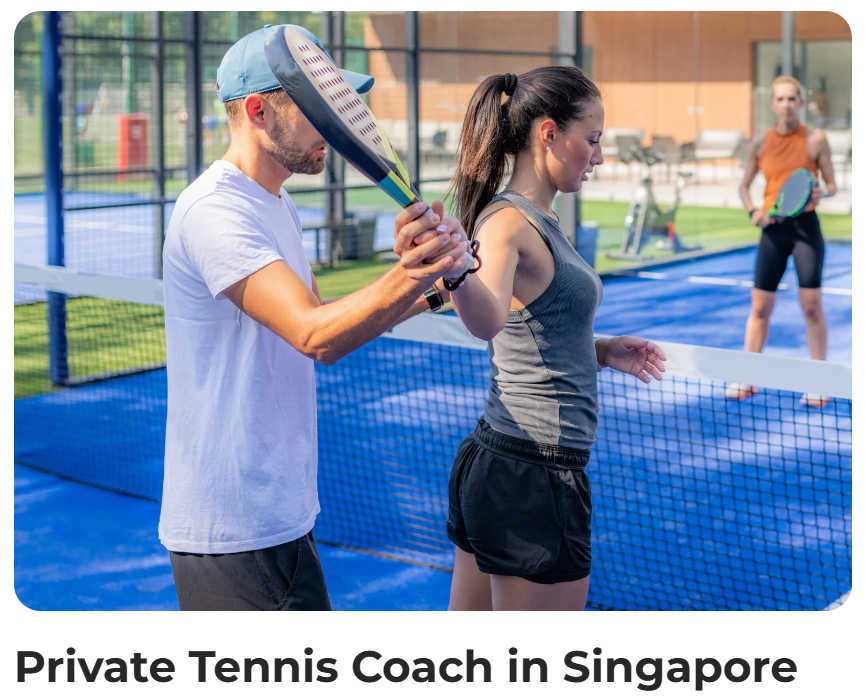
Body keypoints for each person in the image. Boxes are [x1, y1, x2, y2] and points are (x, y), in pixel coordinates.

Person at [158, 24, 475, 611]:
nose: (335, 125)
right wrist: (415, 268)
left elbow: (325, 317)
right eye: (316, 109)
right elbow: (315, 336)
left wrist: (432, 288)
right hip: (234, 526)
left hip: (279, 512)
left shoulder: (275, 203)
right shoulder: (216, 210)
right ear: (257, 110)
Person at [411, 68, 667, 611]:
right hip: (534, 473)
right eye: (592, 139)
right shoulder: (507, 224)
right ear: (549, 134)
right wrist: (456, 272)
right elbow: (485, 320)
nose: (598, 156)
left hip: (507, 463)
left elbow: (531, 320)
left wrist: (599, 349)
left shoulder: (539, 217)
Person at [729, 75, 837, 407]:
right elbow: (744, 187)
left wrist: (822, 191)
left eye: (792, 99)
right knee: (760, 308)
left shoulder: (816, 139)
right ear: (772, 104)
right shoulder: (760, 142)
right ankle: (749, 376)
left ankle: (820, 381)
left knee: (811, 307)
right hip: (773, 232)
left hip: (806, 230)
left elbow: (832, 184)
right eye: (781, 99)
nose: (787, 105)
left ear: (800, 103)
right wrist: (753, 212)